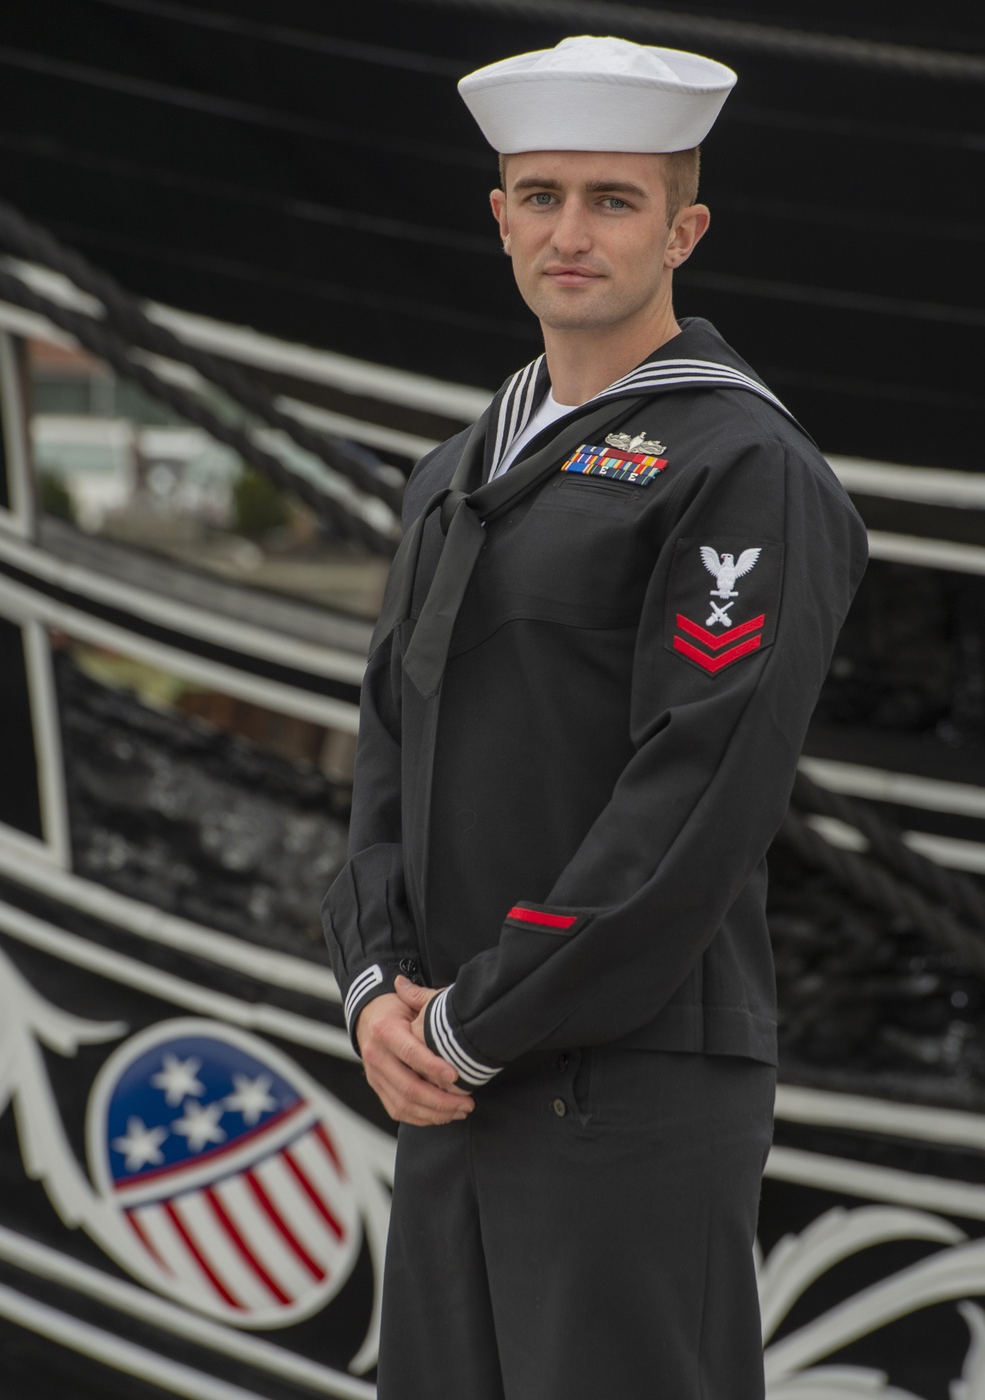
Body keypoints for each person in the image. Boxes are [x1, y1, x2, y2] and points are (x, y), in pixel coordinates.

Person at [322, 34, 867, 1400]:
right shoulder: (459, 467)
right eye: (543, 195)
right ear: (499, 218)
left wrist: (471, 1021)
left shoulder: (741, 462)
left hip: (622, 1086)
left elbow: (695, 796)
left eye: (613, 200)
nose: (572, 231)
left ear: (684, 227)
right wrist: (377, 987)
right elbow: (391, 739)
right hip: (451, 1073)